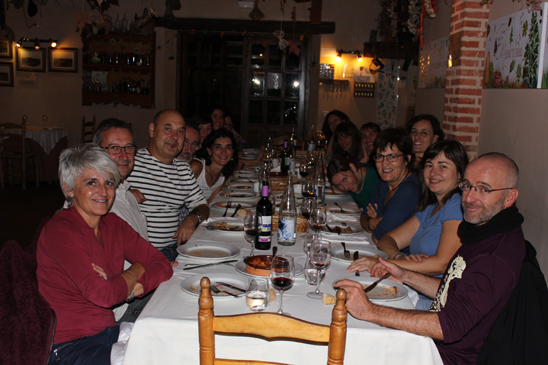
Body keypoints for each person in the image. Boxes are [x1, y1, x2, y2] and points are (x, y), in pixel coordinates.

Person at [336, 152, 524, 365]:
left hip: (441, 357)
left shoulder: (494, 255)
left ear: (510, 197)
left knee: (344, 343)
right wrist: (406, 275)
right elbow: (452, 290)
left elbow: (448, 326)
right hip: (431, 343)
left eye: (484, 189)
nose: (469, 198)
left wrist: (370, 311)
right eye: (468, 186)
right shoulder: (483, 231)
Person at [37, 145, 173, 365]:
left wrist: (130, 290)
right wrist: (136, 269)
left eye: (109, 182)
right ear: (69, 188)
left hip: (108, 333)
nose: (103, 191)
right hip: (70, 346)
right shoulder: (61, 231)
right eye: (92, 182)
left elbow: (162, 265)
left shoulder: (113, 224)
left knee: (174, 348)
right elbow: (104, 295)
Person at [349, 140, 469, 309]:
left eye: (443, 166)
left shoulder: (456, 206)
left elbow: (442, 263)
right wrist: (399, 257)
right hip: (411, 289)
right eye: (429, 165)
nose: (433, 172)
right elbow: (387, 239)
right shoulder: (431, 208)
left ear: (459, 174)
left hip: (435, 304)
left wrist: (383, 263)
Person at [127, 110, 209, 261]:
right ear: (152, 130)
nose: (174, 137)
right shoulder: (130, 164)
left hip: (175, 251)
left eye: (180, 132)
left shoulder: (184, 170)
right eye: (168, 129)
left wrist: (193, 217)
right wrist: (124, 193)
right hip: (140, 256)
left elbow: (203, 206)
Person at [361, 128, 420, 244]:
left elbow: (379, 238)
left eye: (392, 156)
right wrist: (372, 222)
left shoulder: (410, 190)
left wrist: (373, 222)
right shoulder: (384, 183)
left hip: (402, 257)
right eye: (379, 157)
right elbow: (363, 217)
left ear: (407, 159)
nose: (384, 163)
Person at [191, 128, 238, 202]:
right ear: (209, 150)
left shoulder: (222, 176)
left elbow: (210, 203)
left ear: (232, 152)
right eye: (218, 147)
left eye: (228, 147)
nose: (224, 152)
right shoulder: (196, 167)